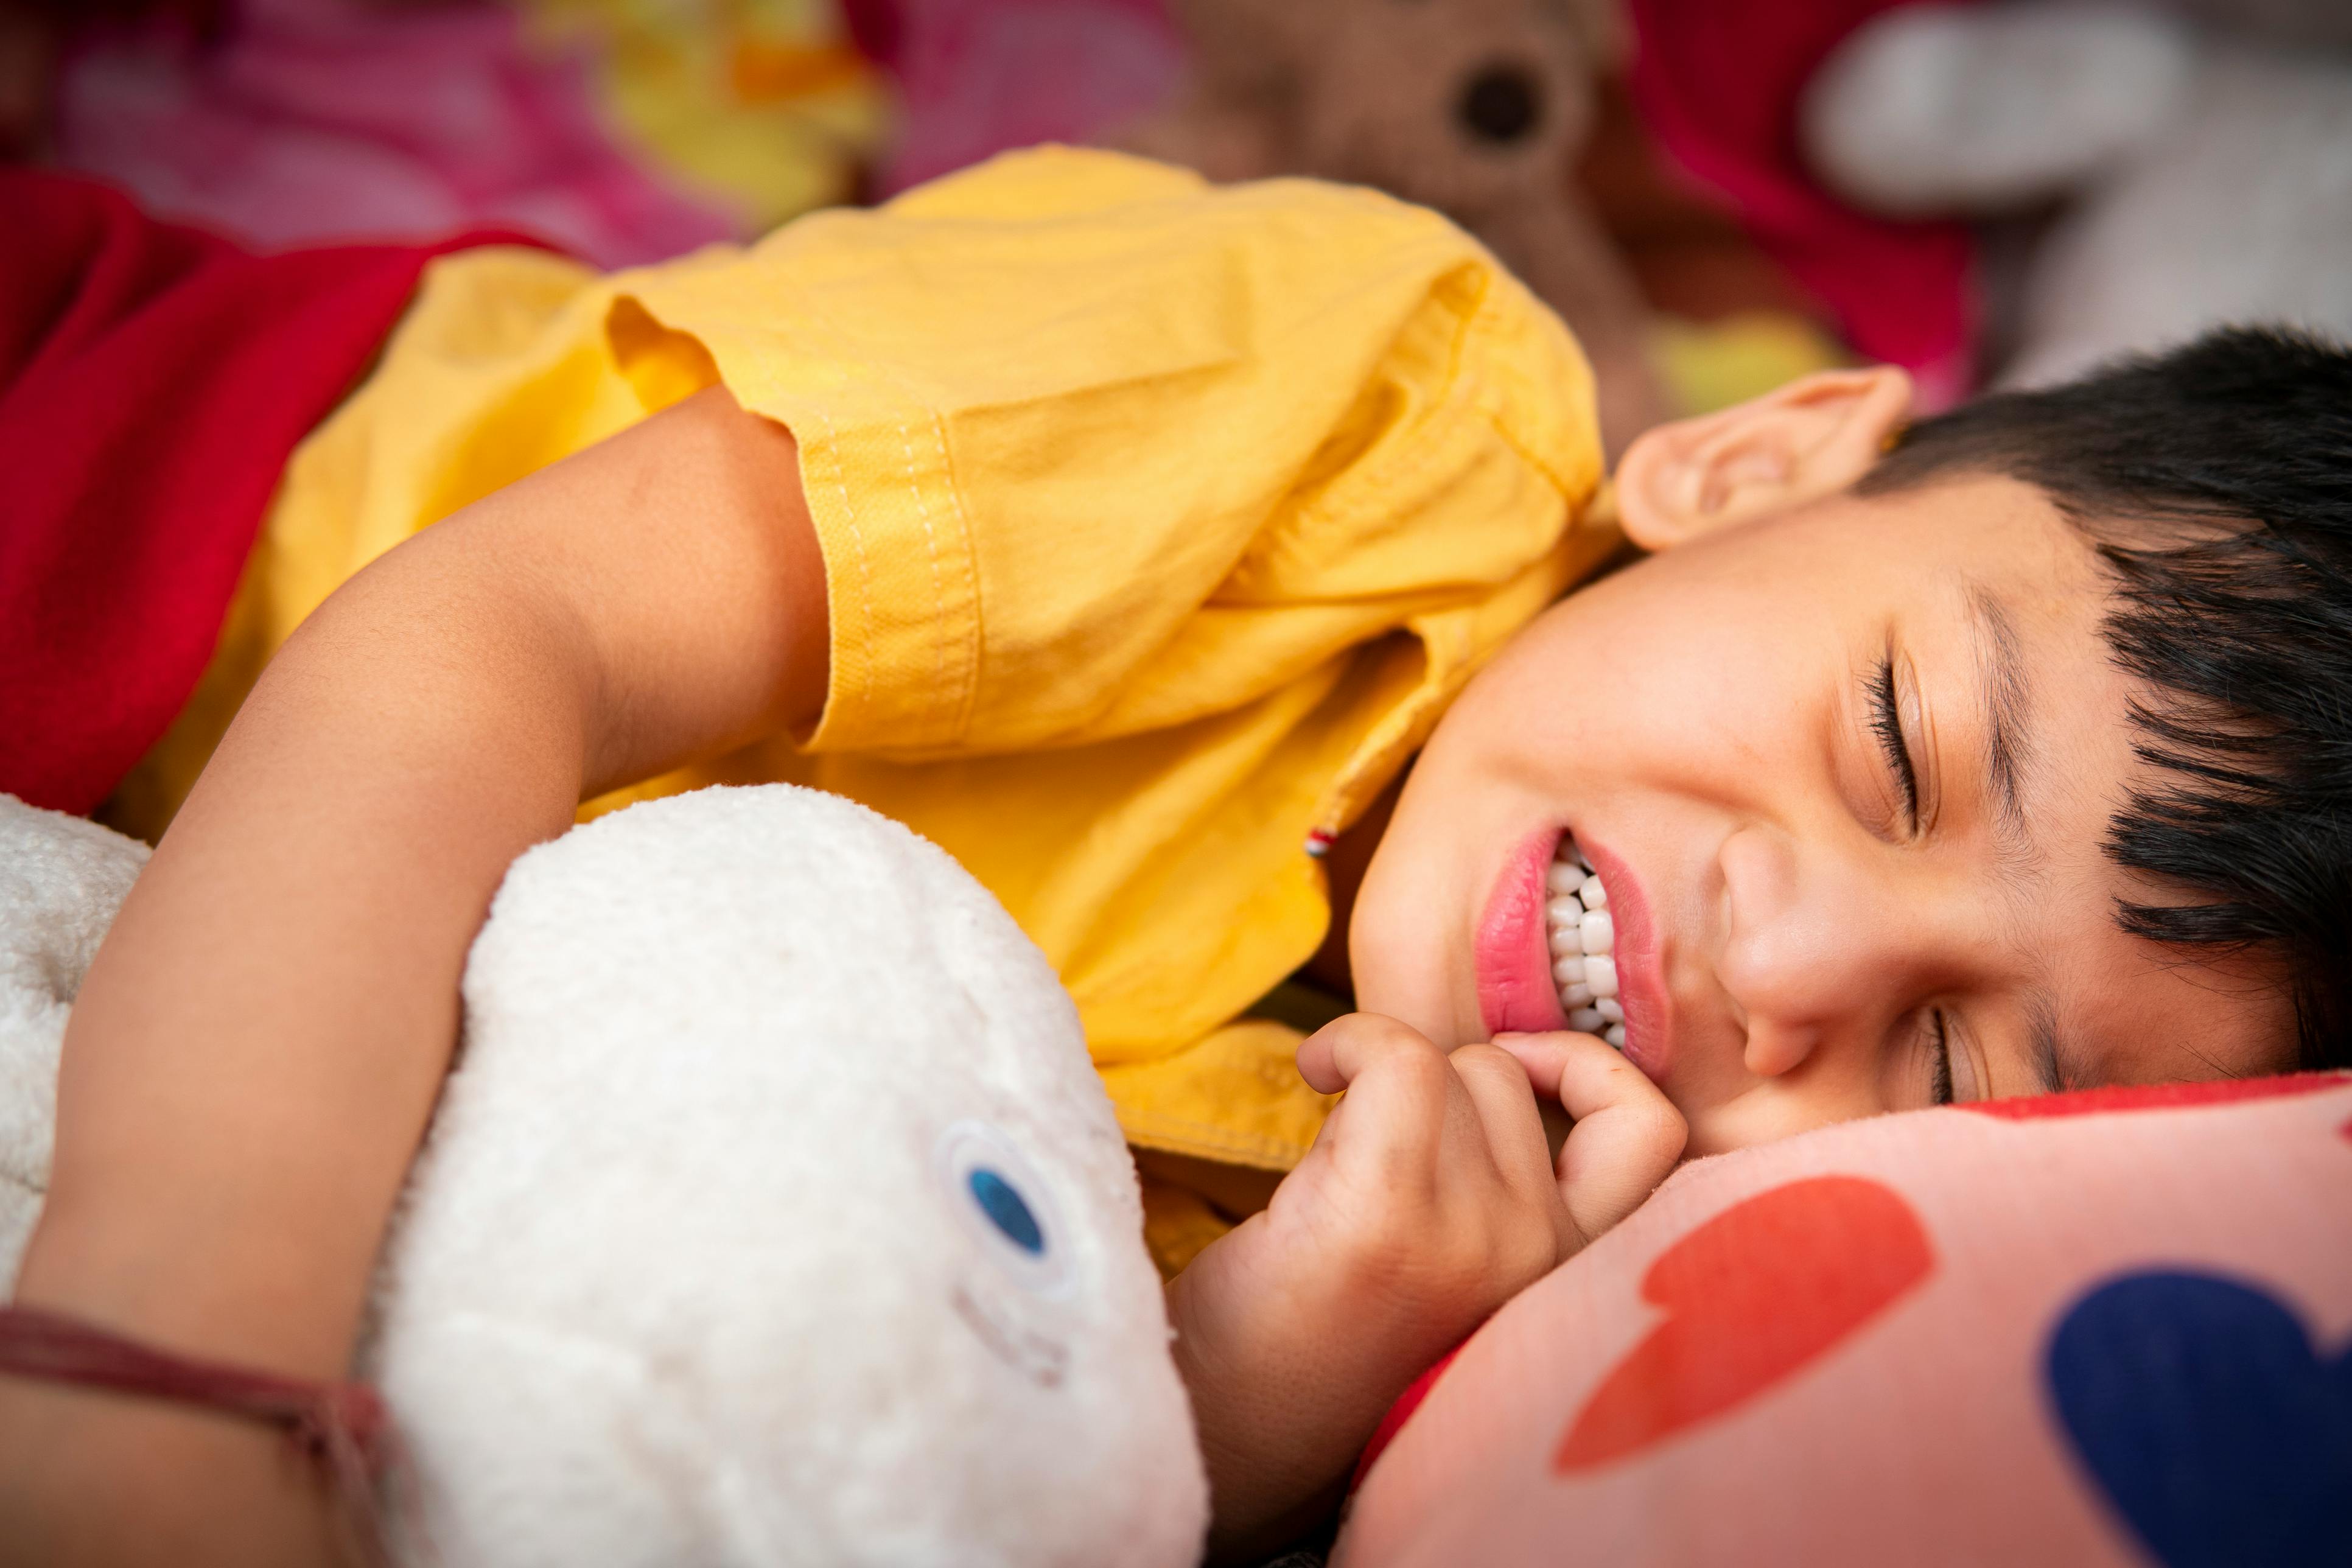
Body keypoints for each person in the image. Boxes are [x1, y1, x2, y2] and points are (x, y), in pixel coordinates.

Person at [1, 145, 2345, 1566]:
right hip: (96, 495)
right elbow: (484, 645)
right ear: (1754, 467)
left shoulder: (1505, 1250)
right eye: (1898, 743)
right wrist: (164, 1358)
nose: (1797, 965)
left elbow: (859, 1448)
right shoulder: (1369, 414)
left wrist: (1254, 1375)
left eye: (1948, 1063)